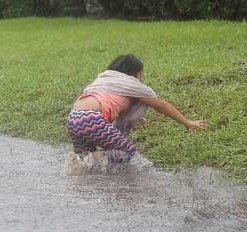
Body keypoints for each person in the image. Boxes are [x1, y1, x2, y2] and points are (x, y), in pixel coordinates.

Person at [66, 54, 206, 168]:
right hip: (91, 118)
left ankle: (83, 166)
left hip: (73, 118)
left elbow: (113, 104)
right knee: (127, 151)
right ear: (136, 73)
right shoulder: (131, 84)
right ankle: (95, 159)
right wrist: (187, 122)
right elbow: (161, 105)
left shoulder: (103, 79)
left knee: (83, 162)